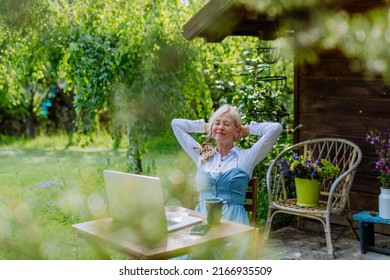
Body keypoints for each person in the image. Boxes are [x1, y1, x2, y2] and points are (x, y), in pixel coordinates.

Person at [171, 104, 283, 226]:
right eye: (217, 123)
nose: (221, 127)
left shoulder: (245, 158)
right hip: (202, 223)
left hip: (234, 224)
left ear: (237, 130)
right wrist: (207, 127)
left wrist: (246, 129)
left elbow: (276, 128)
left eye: (227, 124)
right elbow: (176, 124)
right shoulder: (202, 155)